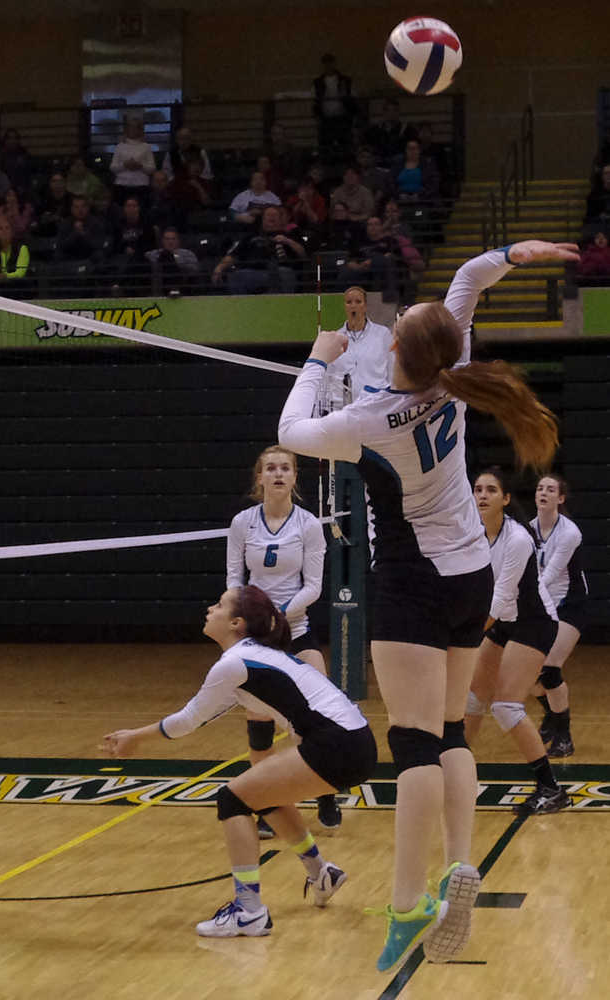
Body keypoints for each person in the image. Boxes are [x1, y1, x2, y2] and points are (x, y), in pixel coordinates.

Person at [277, 238, 578, 971]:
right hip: (471, 576)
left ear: (397, 355)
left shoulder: (372, 419)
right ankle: (457, 862)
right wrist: (522, 252)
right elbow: (473, 275)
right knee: (448, 732)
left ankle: (409, 902)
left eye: (403, 315)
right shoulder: (456, 373)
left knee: (411, 743)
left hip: (412, 582)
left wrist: (318, 357)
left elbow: (288, 432)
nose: (409, 307)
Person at [102, 585, 376, 937]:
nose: (209, 609)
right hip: (354, 740)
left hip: (338, 743)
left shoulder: (234, 663)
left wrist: (135, 736)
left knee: (232, 798)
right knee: (262, 794)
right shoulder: (256, 656)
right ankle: (322, 873)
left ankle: (249, 911)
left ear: (236, 622)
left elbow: (187, 721)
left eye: (217, 605)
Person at [226, 446, 341, 833]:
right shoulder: (243, 522)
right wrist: (244, 616)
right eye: (271, 468)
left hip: (296, 628)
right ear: (259, 478)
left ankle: (326, 791)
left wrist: (279, 615)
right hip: (258, 636)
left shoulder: (308, 524)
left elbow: (314, 586)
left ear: (294, 477)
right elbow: (233, 579)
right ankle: (268, 806)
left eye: (285, 468)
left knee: (319, 714)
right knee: (259, 722)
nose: (278, 474)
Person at [464, 469, 570, 812]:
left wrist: (460, 638)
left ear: (505, 499)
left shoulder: (518, 538)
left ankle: (551, 788)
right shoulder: (471, 533)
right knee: (472, 698)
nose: (482, 495)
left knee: (505, 705)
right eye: (477, 489)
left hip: (533, 622)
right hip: (503, 621)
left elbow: (500, 598)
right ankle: (454, 773)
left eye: (491, 490)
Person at [529, 475, 588, 758]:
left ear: (560, 499)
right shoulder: (527, 530)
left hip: (569, 605)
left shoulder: (570, 532)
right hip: (542, 604)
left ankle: (564, 737)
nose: (544, 492)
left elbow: (549, 576)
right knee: (527, 672)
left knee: (550, 668)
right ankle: (552, 716)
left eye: (551, 490)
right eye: (540, 488)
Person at [323, 286, 394, 409]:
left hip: (375, 405)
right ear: (345, 306)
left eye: (358, 302)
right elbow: (329, 375)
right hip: (343, 408)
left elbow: (392, 369)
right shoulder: (336, 339)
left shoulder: (383, 334)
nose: (353, 306)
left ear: (365, 306)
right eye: (349, 302)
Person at [212, 205, 305, 294]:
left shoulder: (290, 235)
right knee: (237, 276)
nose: (271, 217)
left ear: (281, 219)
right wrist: (219, 267)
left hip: (280, 270)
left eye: (275, 215)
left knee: (285, 273)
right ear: (263, 219)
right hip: (253, 272)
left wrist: (287, 241)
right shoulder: (250, 237)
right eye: (268, 215)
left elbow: (303, 254)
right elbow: (233, 255)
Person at [312, 53, 354, 154]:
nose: (328, 66)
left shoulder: (345, 80)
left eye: (330, 63)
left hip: (342, 118)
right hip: (325, 119)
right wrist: (317, 116)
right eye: (326, 63)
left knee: (344, 144)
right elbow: (315, 99)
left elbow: (351, 97)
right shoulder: (317, 82)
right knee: (325, 145)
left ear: (334, 64)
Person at [109, 117, 155, 205]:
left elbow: (152, 168)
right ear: (126, 129)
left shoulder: (146, 147)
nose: (133, 130)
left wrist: (140, 166)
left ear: (140, 129)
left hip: (141, 186)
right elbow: (112, 167)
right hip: (122, 185)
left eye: (136, 127)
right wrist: (124, 165)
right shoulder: (119, 147)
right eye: (130, 127)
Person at [0, 217, 31, 295]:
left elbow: (20, 273)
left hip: (15, 285)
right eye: (0, 229)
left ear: (12, 231)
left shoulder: (22, 248)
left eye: (7, 228)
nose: (4, 231)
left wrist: (5, 276)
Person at [146, 227, 200, 296]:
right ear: (162, 241)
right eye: (167, 239)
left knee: (169, 258)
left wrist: (177, 262)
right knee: (164, 256)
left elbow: (195, 269)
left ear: (178, 240)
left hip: (181, 284)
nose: (170, 242)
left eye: (173, 239)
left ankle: (173, 290)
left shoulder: (187, 254)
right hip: (160, 282)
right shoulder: (153, 254)